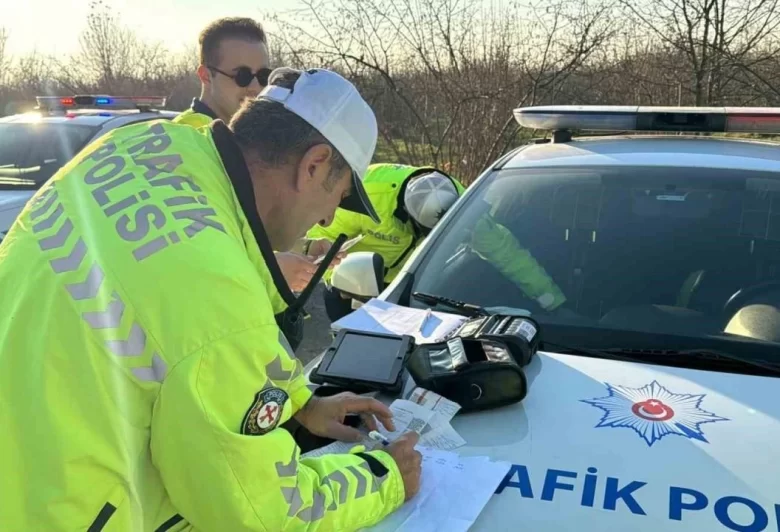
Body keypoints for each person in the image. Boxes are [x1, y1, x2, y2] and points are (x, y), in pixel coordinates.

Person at [0, 68, 422, 530]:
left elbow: (169, 340)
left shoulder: (139, 146)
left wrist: (299, 402)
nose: (325, 220)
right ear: (315, 165)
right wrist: (385, 476)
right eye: (338, 198)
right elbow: (261, 512)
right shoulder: (216, 296)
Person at [173, 16, 333, 321]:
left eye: (264, 75)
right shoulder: (190, 142)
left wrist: (308, 248)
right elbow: (191, 253)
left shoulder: (241, 140)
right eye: (243, 75)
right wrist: (271, 268)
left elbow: (248, 227)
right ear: (205, 75)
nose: (257, 87)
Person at [305, 163, 567, 321]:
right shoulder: (366, 194)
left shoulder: (463, 207)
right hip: (351, 287)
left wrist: (550, 300)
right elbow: (324, 238)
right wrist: (333, 273)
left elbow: (507, 254)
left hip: (409, 291)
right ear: (406, 214)